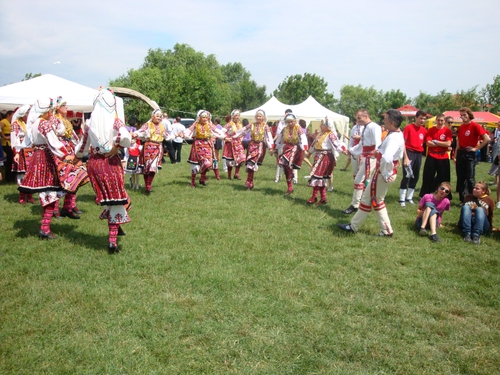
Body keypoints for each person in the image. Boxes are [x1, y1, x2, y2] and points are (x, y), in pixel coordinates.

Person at [75, 89, 132, 253]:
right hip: (110, 164)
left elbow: (82, 147)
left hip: (94, 164)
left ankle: (116, 229)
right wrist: (116, 147)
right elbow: (126, 137)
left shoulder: (90, 124)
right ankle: (112, 242)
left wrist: (76, 156)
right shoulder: (115, 122)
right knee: (119, 201)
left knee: (111, 200)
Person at [338, 109, 405, 237]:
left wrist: (386, 173)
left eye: (385, 119)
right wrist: (379, 153)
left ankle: (383, 230)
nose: (383, 121)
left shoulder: (393, 138)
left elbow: (387, 158)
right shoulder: (394, 134)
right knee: (369, 198)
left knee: (376, 200)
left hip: (383, 173)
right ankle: (356, 226)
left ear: (392, 122)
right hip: (382, 171)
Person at [18, 98, 72, 239]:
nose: (51, 113)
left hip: (37, 157)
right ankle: (45, 229)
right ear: (47, 111)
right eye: (50, 110)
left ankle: (45, 227)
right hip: (45, 159)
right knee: (50, 193)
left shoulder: (35, 123)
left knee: (48, 193)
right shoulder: (44, 124)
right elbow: (53, 142)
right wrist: (66, 155)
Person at [52, 96, 89, 219]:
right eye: (64, 106)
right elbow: (53, 137)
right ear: (57, 108)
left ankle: (68, 207)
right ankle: (54, 209)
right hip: (60, 151)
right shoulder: (54, 120)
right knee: (59, 179)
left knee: (73, 178)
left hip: (70, 150)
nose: (66, 108)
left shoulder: (65, 120)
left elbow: (73, 136)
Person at [342, 109, 381, 215]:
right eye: (357, 118)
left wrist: (376, 154)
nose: (357, 120)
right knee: (360, 180)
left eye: (359, 118)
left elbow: (378, 142)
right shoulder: (366, 127)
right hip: (366, 156)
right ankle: (363, 203)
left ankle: (357, 204)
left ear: (366, 116)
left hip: (371, 157)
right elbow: (361, 145)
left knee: (360, 180)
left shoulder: (374, 127)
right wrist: (351, 150)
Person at [305, 118, 347, 204]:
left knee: (317, 176)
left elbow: (337, 144)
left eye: (322, 124)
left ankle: (314, 197)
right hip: (318, 156)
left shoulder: (330, 134)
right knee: (320, 178)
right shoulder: (320, 134)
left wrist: (344, 151)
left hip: (325, 157)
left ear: (328, 126)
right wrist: (309, 153)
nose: (320, 125)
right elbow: (314, 144)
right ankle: (323, 198)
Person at [132, 109, 172, 195]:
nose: (159, 118)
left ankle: (149, 185)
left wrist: (177, 135)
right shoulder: (148, 125)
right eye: (157, 116)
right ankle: (147, 185)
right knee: (147, 168)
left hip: (158, 147)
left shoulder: (162, 126)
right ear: (152, 117)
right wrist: (136, 134)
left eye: (160, 116)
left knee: (153, 167)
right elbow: (141, 132)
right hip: (148, 147)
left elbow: (167, 136)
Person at [454, 107, 490, 202]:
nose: (462, 117)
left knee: (470, 178)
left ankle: (473, 199)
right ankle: (463, 200)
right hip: (461, 153)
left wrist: (476, 148)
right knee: (460, 178)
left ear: (469, 115)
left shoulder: (475, 126)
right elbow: (458, 143)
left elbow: (487, 139)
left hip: (469, 154)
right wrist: (455, 156)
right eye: (461, 116)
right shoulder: (461, 127)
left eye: (464, 115)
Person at [233, 109, 274, 190]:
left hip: (259, 146)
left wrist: (271, 147)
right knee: (249, 164)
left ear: (263, 117)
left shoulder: (265, 126)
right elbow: (243, 130)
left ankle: (249, 181)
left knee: (251, 163)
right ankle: (250, 183)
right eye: (257, 116)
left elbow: (268, 137)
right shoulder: (252, 125)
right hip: (251, 146)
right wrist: (234, 135)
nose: (258, 117)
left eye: (260, 116)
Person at [184, 110, 226, 187]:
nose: (205, 119)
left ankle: (202, 178)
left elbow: (217, 131)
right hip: (197, 145)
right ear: (199, 117)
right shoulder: (195, 124)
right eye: (203, 117)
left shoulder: (210, 125)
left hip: (207, 145)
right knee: (195, 165)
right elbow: (188, 131)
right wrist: (184, 135)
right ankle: (192, 182)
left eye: (206, 117)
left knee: (207, 163)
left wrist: (223, 136)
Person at [419, 114, 453, 199]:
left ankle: (445, 195)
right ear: (436, 120)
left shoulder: (447, 131)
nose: (440, 122)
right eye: (439, 120)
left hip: (443, 156)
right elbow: (428, 143)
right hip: (432, 155)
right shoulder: (431, 130)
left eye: (442, 120)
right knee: (428, 176)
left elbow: (448, 143)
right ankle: (425, 194)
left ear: (444, 121)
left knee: (444, 177)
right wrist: (442, 144)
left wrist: (436, 142)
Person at [399, 110, 427, 206]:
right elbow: (403, 143)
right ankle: (402, 199)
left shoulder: (424, 130)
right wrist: (406, 157)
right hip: (409, 153)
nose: (422, 120)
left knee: (415, 176)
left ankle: (409, 198)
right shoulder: (409, 128)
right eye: (420, 118)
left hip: (419, 154)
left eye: (424, 118)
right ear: (416, 118)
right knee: (407, 175)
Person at [275, 113, 308, 195]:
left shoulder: (298, 129)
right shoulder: (284, 129)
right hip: (286, 148)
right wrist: (275, 148)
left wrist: (305, 149)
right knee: (286, 167)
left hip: (295, 148)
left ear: (295, 121)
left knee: (287, 163)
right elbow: (280, 139)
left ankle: (291, 183)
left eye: (291, 122)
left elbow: (303, 139)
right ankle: (290, 187)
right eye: (288, 122)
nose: (290, 123)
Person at [10, 105, 35, 204]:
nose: (28, 115)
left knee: (29, 174)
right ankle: (22, 196)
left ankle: (29, 195)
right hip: (20, 152)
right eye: (27, 113)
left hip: (29, 151)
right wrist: (15, 152)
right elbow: (14, 139)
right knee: (21, 174)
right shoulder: (15, 124)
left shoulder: (26, 124)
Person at [223, 109, 245, 180]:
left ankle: (236, 174)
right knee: (230, 160)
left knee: (241, 158)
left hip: (238, 143)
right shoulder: (229, 124)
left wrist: (242, 136)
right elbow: (222, 132)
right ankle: (229, 175)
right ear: (232, 116)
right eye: (236, 116)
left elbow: (242, 133)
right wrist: (226, 138)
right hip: (230, 144)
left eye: (238, 116)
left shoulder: (240, 124)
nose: (237, 117)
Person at [274, 109, 293, 182]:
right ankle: (278, 177)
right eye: (286, 114)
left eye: (289, 114)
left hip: (292, 146)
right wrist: (276, 146)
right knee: (280, 161)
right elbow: (279, 134)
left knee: (292, 163)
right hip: (283, 144)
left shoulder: (296, 126)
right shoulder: (282, 123)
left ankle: (294, 178)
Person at [0, 110, 14, 182]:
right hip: (5, 143)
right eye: (12, 115)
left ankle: (10, 176)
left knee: (10, 159)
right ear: (8, 115)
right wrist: (4, 137)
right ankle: (8, 177)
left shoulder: (11, 122)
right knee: (9, 159)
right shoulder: (4, 121)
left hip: (10, 142)